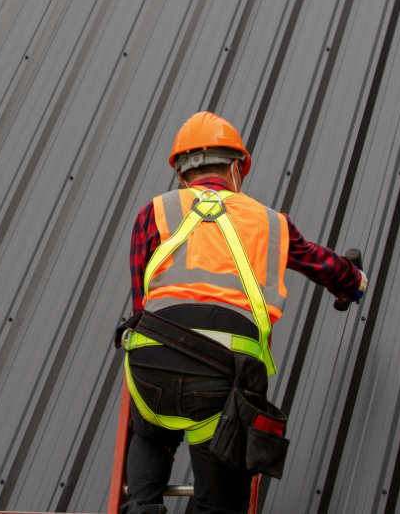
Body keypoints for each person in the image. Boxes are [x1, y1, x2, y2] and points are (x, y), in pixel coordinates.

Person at [118, 111, 367, 514]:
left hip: (152, 363)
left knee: (150, 428)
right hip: (224, 379)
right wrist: (353, 282)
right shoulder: (271, 223)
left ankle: (142, 505)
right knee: (218, 501)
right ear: (236, 167)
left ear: (182, 174)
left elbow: (140, 302)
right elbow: (324, 265)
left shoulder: (154, 212)